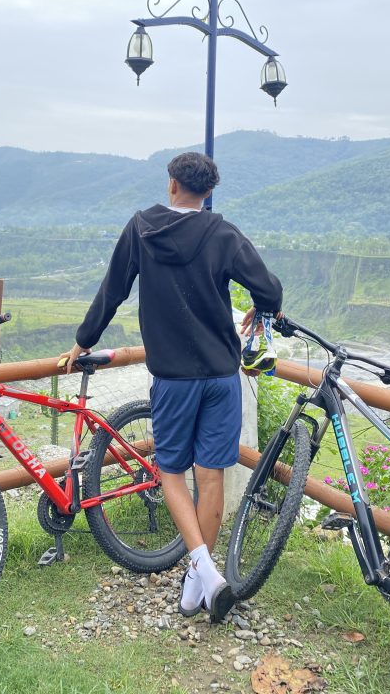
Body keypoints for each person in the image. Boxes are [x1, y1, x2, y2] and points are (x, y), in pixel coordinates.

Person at [64, 151, 282, 623]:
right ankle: (198, 583)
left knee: (171, 475)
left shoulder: (141, 229)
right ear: (209, 192)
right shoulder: (222, 233)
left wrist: (83, 341)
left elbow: (112, 291)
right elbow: (268, 288)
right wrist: (262, 309)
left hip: (173, 379)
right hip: (221, 376)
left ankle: (204, 572)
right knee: (211, 477)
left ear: (171, 183)